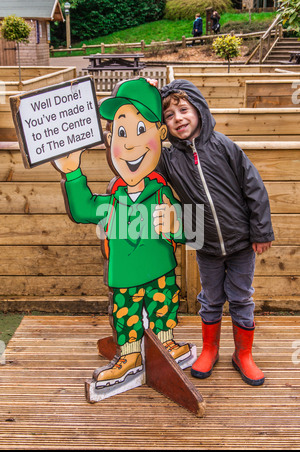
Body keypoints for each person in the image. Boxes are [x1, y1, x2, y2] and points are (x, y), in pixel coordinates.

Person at [52, 78, 191, 389]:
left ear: (161, 134)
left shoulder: (161, 193)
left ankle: (164, 343)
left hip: (161, 273)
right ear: (110, 138)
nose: (130, 144)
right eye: (122, 133)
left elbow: (187, 228)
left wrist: (175, 224)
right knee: (125, 315)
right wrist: (72, 171)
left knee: (163, 308)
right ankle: (130, 356)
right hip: (123, 277)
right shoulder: (112, 200)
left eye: (141, 131)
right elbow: (83, 209)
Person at [152, 79, 274, 387]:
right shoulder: (167, 158)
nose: (178, 118)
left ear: (199, 110)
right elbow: (141, 144)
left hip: (241, 241)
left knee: (241, 298)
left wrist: (261, 231)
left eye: (184, 109)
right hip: (203, 242)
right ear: (163, 123)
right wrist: (147, 95)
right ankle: (210, 349)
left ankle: (243, 354)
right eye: (169, 114)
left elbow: (254, 188)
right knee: (210, 297)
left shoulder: (224, 146)